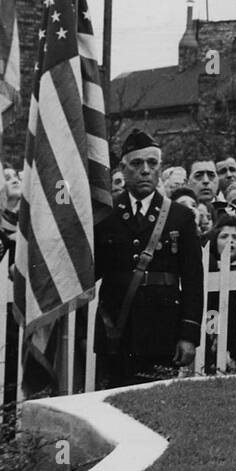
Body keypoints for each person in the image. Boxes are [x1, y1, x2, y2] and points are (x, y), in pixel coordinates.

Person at [94, 130, 203, 388]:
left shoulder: (180, 217)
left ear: (159, 168)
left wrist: (188, 335)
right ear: (123, 168)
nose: (145, 170)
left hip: (161, 331)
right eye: (137, 163)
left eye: (152, 164)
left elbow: (193, 281)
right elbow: (91, 272)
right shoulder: (105, 215)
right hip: (116, 330)